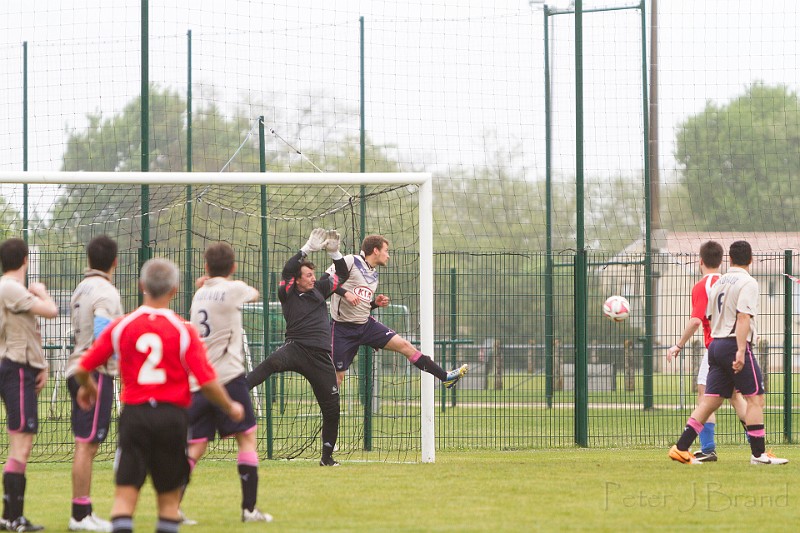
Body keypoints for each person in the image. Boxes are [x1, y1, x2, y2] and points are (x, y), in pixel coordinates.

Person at [74, 258, 245, 533]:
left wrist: (87, 385)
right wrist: (230, 406)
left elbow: (84, 366)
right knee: (167, 503)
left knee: (124, 499)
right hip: (171, 417)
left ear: (142, 286)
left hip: (135, 415)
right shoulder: (183, 330)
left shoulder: (122, 326)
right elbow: (207, 381)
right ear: (174, 290)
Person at [669, 241, 788, 465]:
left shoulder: (718, 282)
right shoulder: (748, 282)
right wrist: (742, 350)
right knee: (755, 399)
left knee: (710, 401)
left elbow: (710, 317)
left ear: (730, 260)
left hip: (715, 345)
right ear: (751, 259)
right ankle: (758, 455)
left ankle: (681, 447)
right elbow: (743, 316)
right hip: (734, 345)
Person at [182, 242, 272, 523]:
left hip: (201, 381)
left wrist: (207, 281)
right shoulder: (233, 289)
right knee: (246, 439)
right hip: (229, 378)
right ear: (232, 267)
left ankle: (171, 506)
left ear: (206, 267)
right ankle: (249, 509)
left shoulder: (199, 293)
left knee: (195, 446)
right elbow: (254, 293)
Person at [246, 228, 349, 466]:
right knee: (272, 362)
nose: (313, 278)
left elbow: (342, 273)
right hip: (295, 348)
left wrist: (335, 253)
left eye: (314, 274)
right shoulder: (287, 293)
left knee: (332, 409)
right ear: (298, 279)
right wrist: (306, 249)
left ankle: (327, 458)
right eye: (308, 274)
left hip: (321, 357)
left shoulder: (321, 290)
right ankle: (237, 391)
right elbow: (287, 270)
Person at [326, 233, 468, 389]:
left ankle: (445, 376)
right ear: (375, 250)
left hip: (366, 326)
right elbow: (324, 282)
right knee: (336, 379)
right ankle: (328, 413)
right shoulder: (350, 261)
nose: (388, 256)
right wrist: (346, 293)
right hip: (342, 329)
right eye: (386, 251)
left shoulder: (373, 274)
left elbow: (360, 304)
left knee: (406, 346)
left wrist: (375, 303)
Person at [666, 240, 748, 462]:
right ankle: (758, 447)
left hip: (715, 347)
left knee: (706, 395)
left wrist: (678, 345)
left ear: (700, 261)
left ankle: (707, 448)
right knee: (735, 397)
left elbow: (695, 321)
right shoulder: (729, 282)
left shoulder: (702, 286)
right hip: (734, 344)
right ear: (722, 261)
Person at [64, 236, 123, 532]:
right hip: (94, 372)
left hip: (76, 368)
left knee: (84, 444)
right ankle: (79, 516)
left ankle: (83, 510)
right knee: (87, 445)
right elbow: (102, 332)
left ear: (89, 259)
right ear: (115, 261)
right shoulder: (106, 291)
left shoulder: (81, 287)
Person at [0, 237, 59, 532]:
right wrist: (43, 292)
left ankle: (10, 516)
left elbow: (29, 333)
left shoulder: (12, 290)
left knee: (19, 445)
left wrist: (43, 365)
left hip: (21, 367)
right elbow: (50, 311)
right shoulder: (10, 287)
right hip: (16, 369)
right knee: (21, 445)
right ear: (25, 259)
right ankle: (14, 517)